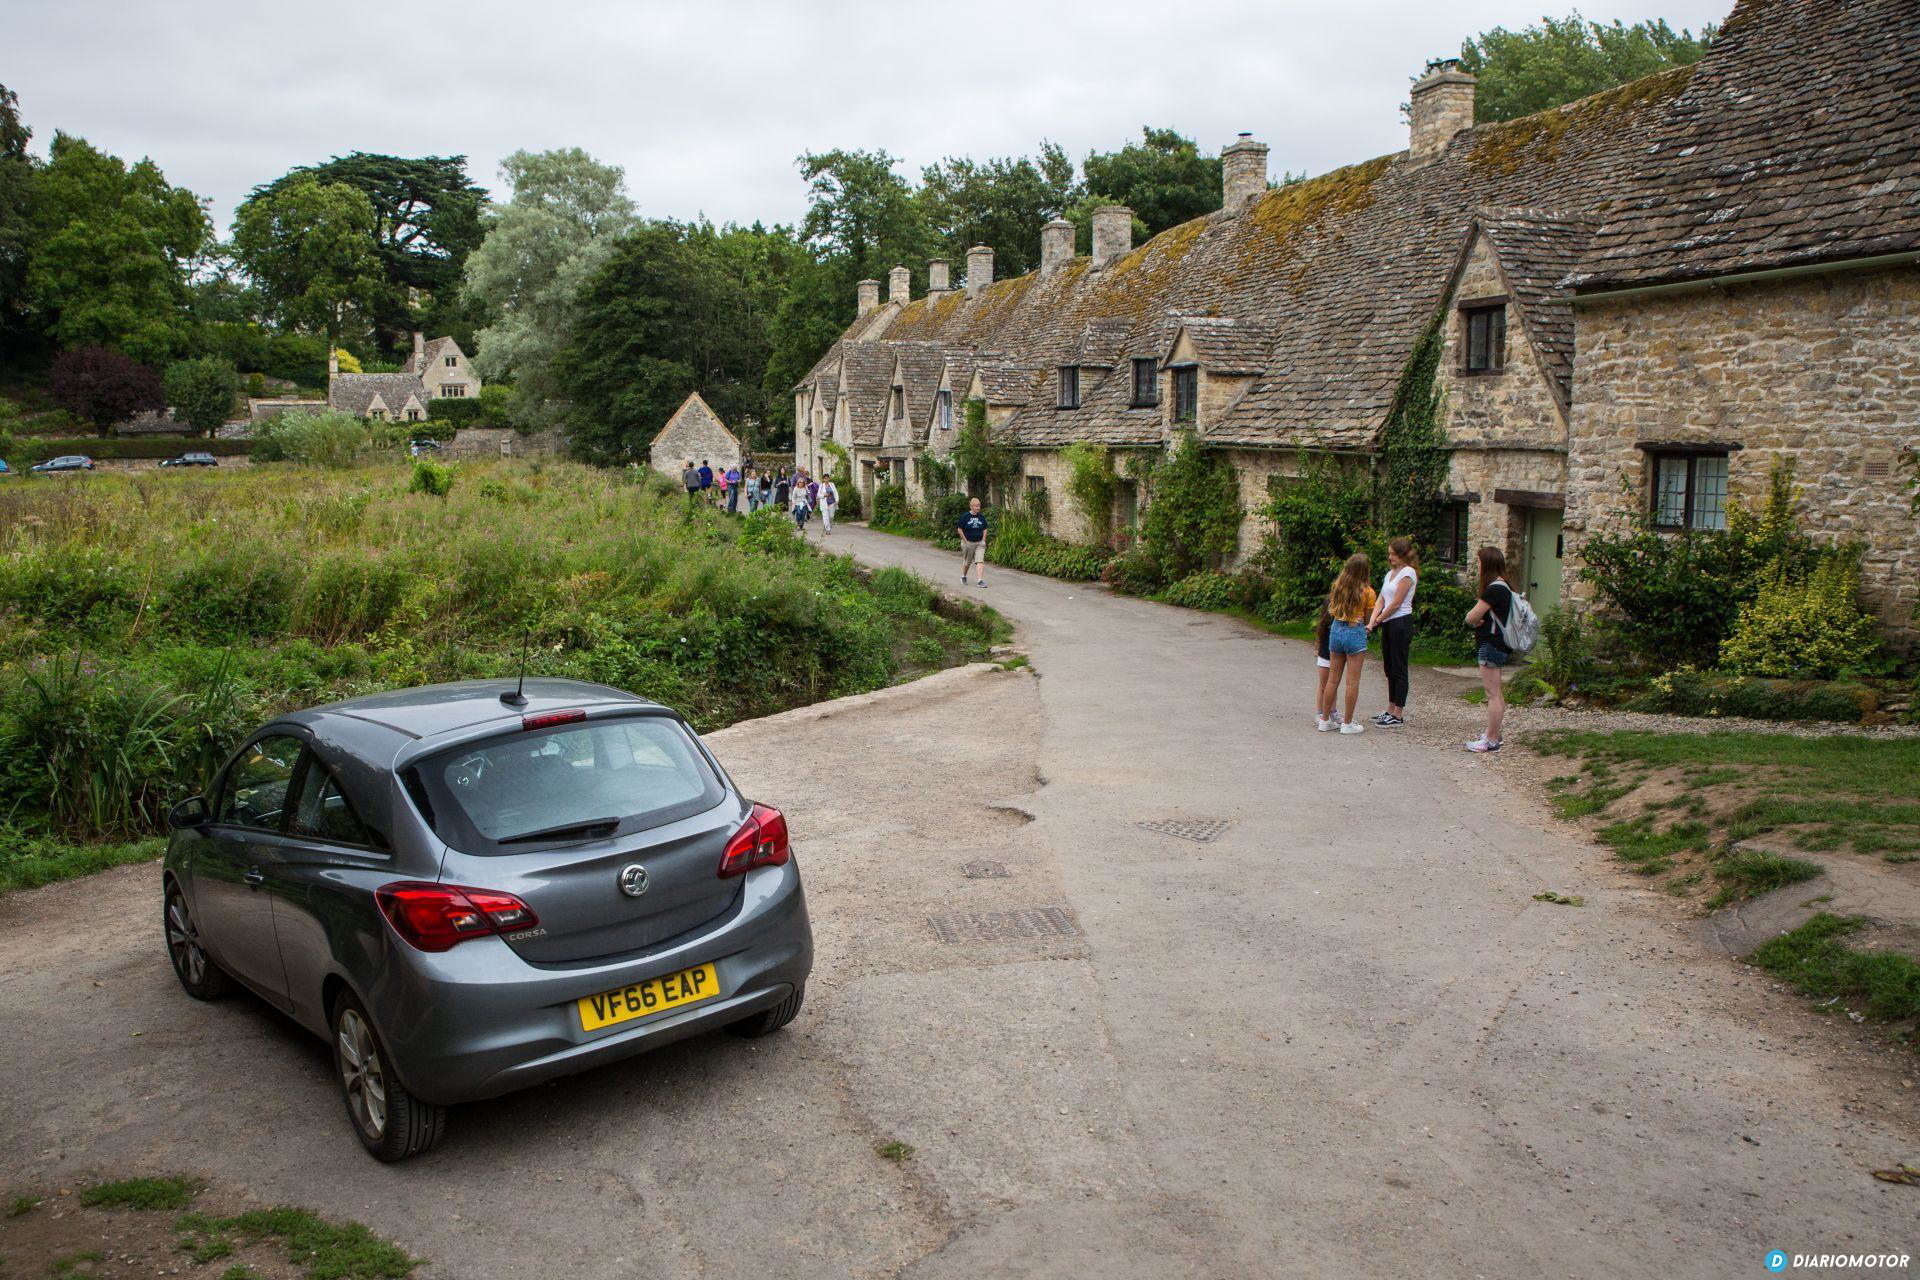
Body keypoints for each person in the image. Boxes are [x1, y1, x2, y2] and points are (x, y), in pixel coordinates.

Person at [1317, 553, 1376, 735]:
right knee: (1352, 682)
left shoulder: (1337, 587)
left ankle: (1325, 719)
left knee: (1332, 679)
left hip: (1337, 628)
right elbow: (1367, 617)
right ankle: (1347, 723)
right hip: (1354, 630)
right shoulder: (1368, 592)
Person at [1463, 546, 1513, 754]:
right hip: (1499, 644)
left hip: (1490, 644)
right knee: (1497, 693)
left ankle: (1491, 740)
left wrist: (1475, 620)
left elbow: (1472, 616)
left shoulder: (1493, 589)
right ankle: (1494, 734)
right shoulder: (1506, 586)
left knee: (1492, 694)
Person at [1368, 537, 1419, 727]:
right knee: (1389, 667)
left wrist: (1378, 620)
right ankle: (1390, 708)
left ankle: (1398, 712)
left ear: (1403, 555)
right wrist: (1372, 621)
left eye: (1393, 554)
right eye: (1389, 554)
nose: (1390, 558)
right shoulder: (1390, 574)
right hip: (1388, 623)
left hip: (1400, 622)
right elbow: (1381, 600)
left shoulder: (1408, 573)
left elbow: (1396, 603)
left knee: (1399, 666)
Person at [1313, 605, 1340, 732]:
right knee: (1324, 685)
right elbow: (1319, 643)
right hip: (1325, 658)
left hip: (1336, 657)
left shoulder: (1340, 627)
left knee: (1333, 684)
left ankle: (1333, 710)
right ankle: (1320, 712)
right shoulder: (1324, 628)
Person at [957, 496, 988, 586]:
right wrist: (965, 541)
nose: (978, 508)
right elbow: (959, 529)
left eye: (979, 506)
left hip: (979, 543)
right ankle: (963, 576)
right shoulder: (965, 516)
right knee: (967, 562)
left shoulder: (981, 517)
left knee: (980, 561)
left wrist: (984, 539)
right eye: (976, 506)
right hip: (968, 542)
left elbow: (985, 528)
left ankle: (980, 581)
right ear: (971, 506)